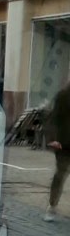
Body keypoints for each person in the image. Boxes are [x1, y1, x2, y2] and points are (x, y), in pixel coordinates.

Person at [44, 80, 70, 220]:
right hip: (64, 144)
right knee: (60, 175)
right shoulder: (63, 95)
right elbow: (54, 119)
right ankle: (52, 206)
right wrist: (53, 139)